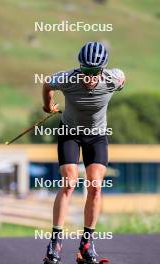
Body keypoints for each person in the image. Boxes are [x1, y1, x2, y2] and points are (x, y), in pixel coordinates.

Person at [42, 41, 125, 264]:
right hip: (70, 132)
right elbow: (47, 85)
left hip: (96, 135)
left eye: (93, 72)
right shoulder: (67, 79)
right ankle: (56, 241)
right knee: (69, 182)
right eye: (85, 71)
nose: (88, 77)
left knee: (95, 186)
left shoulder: (113, 79)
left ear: (102, 70)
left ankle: (86, 243)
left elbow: (122, 78)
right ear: (80, 67)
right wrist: (47, 105)